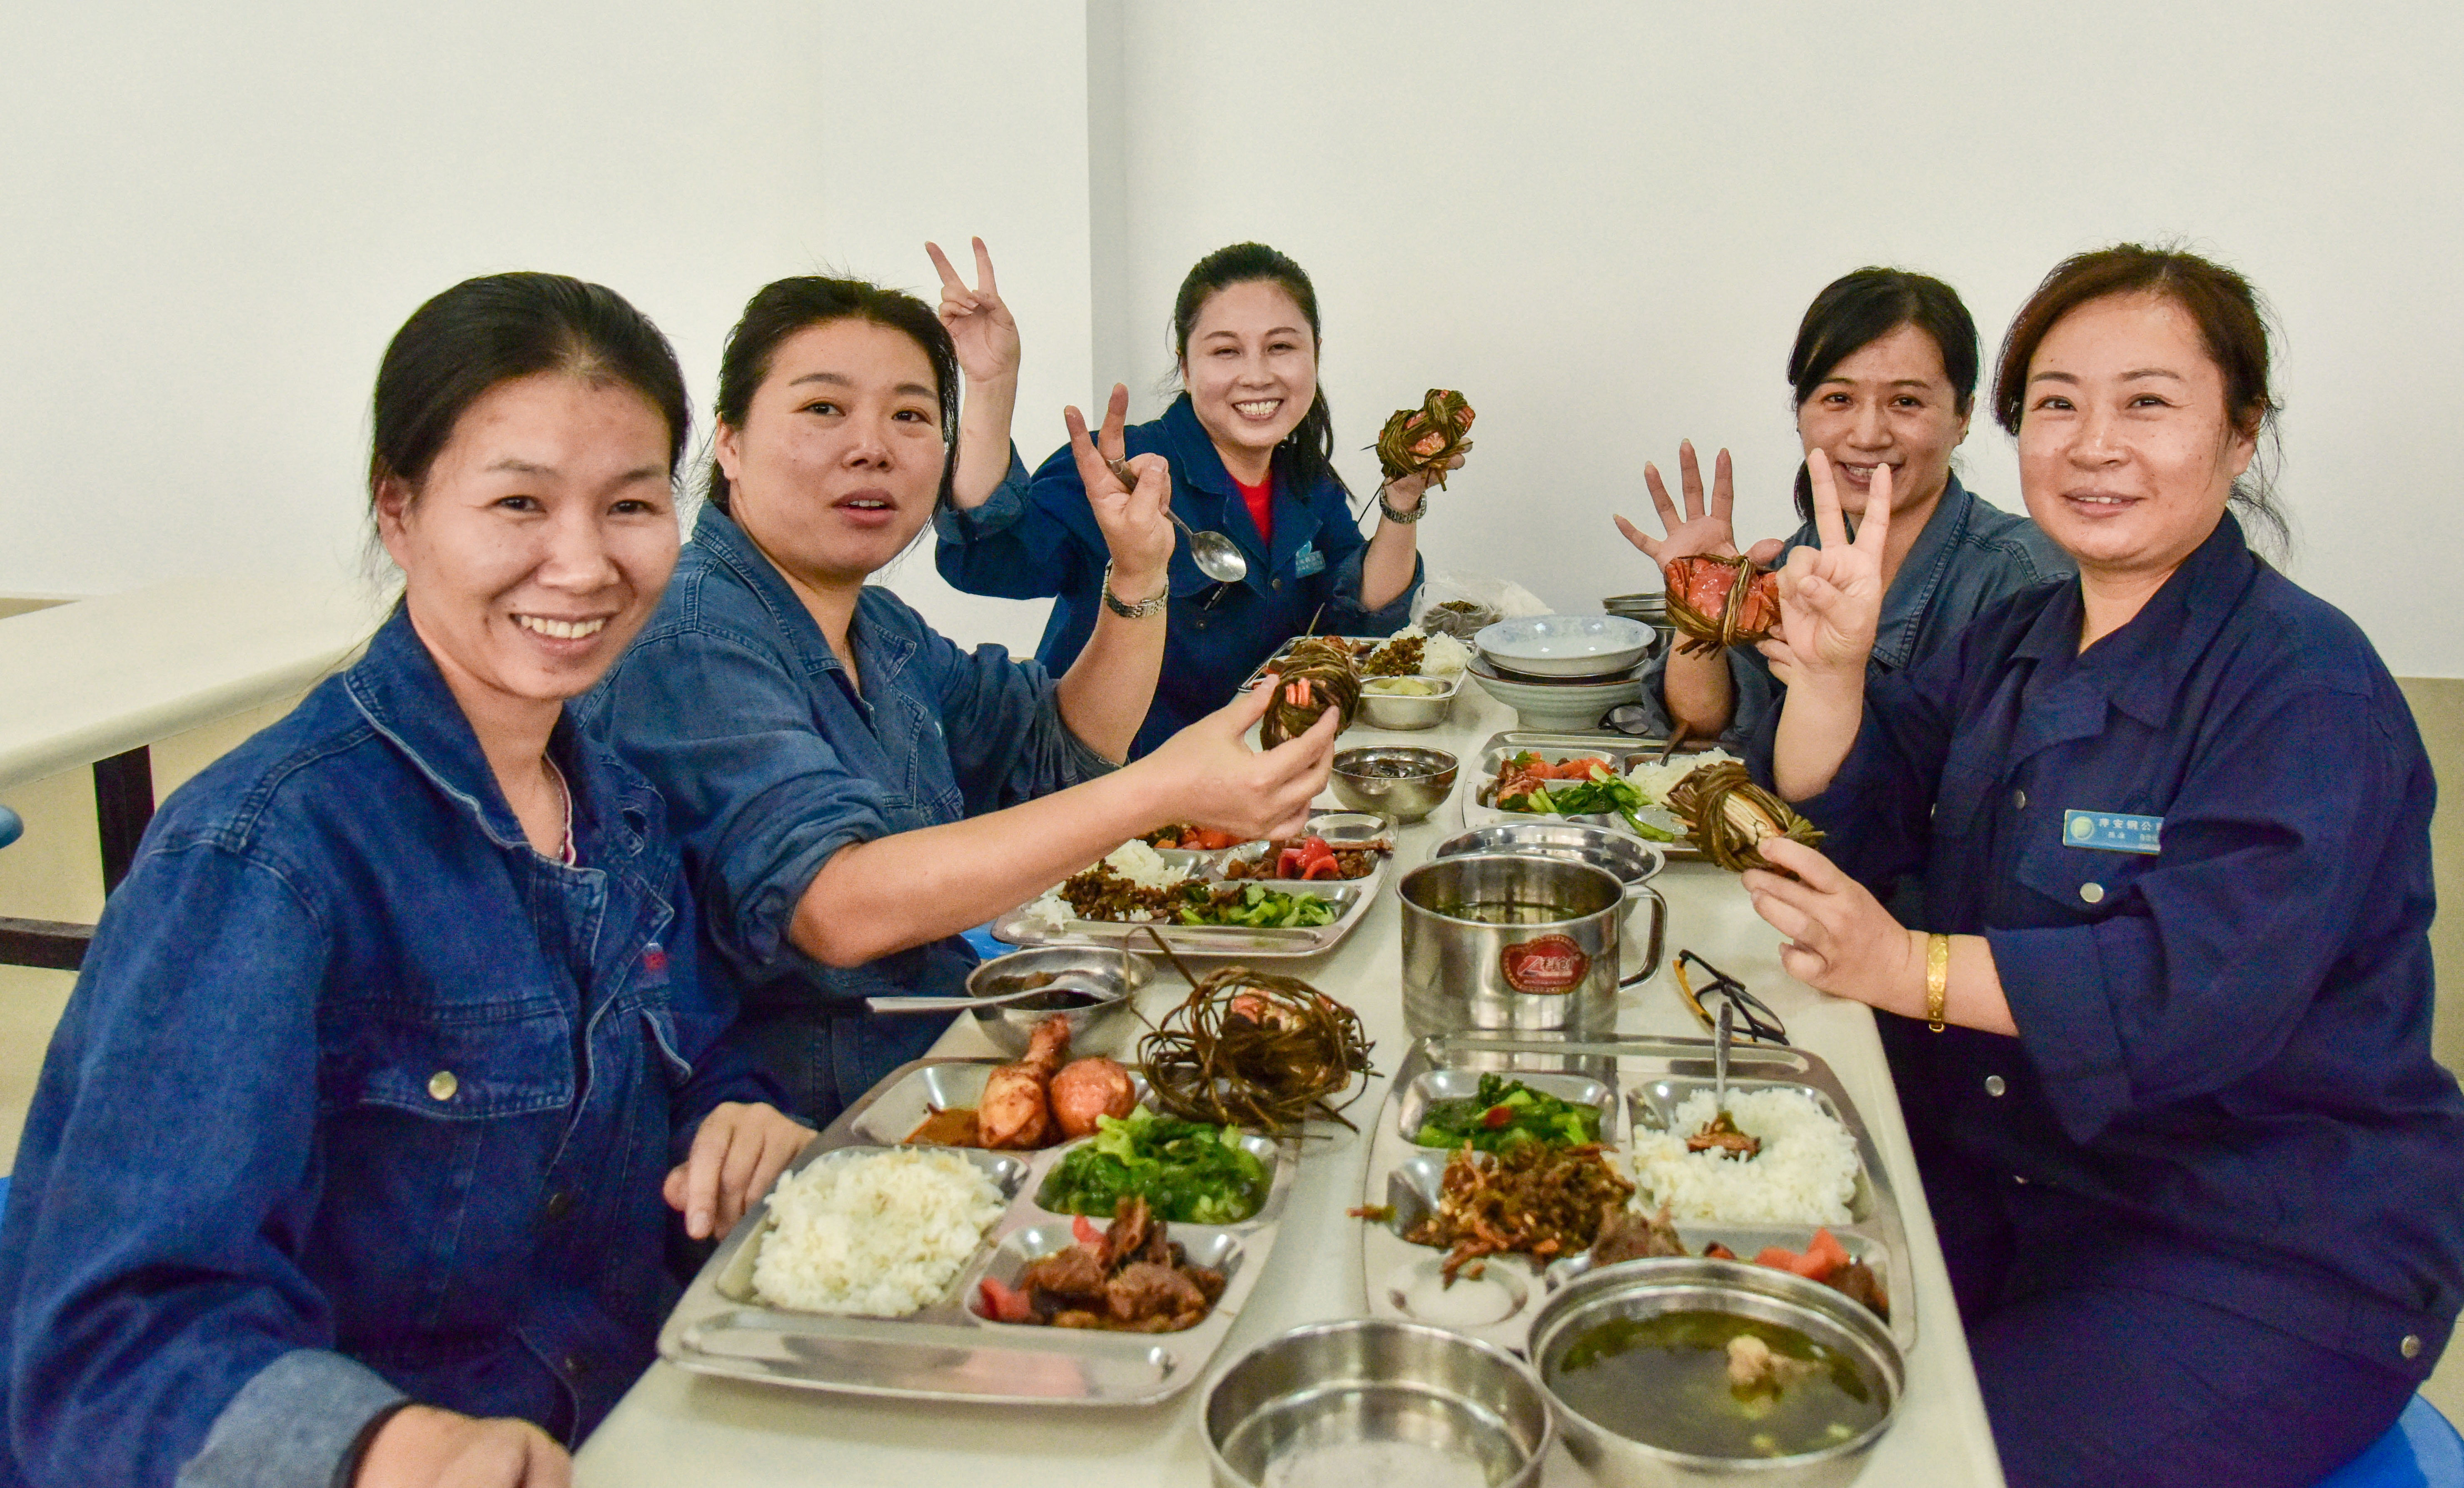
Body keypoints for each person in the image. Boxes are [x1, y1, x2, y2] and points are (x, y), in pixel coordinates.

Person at [0, 273, 812, 1488]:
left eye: (632, 504)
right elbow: (113, 1341)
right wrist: (383, 1443)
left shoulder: (620, 808)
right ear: (401, 510)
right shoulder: (266, 856)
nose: (583, 563)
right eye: (518, 502)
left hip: (628, 1420)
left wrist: (736, 1113)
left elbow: (698, 1048)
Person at [1736, 246, 2464, 1487]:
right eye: (2058, 402)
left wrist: (1901, 963)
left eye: (2147, 401)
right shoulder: (2017, 633)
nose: (2091, 443)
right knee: (1736, 1393)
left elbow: (2191, 990)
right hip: (2012, 1185)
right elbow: (1858, 822)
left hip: (2251, 1250)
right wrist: (1831, 674)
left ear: (2239, 436)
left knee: (1911, 1470)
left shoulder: (2306, 688)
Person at [585, 259, 1338, 1125]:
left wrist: (1137, 572)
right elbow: (835, 905)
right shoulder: (693, 637)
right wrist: (1161, 788)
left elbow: (1062, 744)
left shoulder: (879, 627)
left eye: (909, 415)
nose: (872, 446)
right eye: (823, 408)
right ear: (730, 441)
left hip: (940, 1056)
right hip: (818, 1126)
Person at [934, 241, 1458, 757]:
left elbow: (1359, 620)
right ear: (1186, 366)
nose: (1257, 375)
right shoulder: (1125, 465)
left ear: (1315, 353)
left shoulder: (1305, 478)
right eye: (1226, 351)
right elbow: (989, 558)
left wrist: (1402, 497)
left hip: (1248, 779)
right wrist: (990, 386)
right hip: (1113, 790)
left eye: (1281, 347)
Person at [1618, 268, 2068, 746]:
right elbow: (1703, 723)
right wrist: (1703, 605)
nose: (1868, 435)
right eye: (1839, 398)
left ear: (1962, 417)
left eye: (1906, 401)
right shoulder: (1801, 556)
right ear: (1800, 414)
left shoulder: (2027, 576)